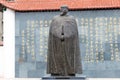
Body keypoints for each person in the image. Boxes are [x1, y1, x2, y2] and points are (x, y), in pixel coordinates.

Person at [47, 5, 82, 76]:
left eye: (65, 9)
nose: (63, 10)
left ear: (67, 10)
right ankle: (56, 71)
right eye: (62, 9)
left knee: (69, 58)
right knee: (57, 58)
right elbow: (52, 30)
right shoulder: (55, 19)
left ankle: (70, 71)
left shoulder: (71, 19)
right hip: (56, 43)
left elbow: (73, 31)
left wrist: (66, 36)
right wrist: (59, 35)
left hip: (69, 43)